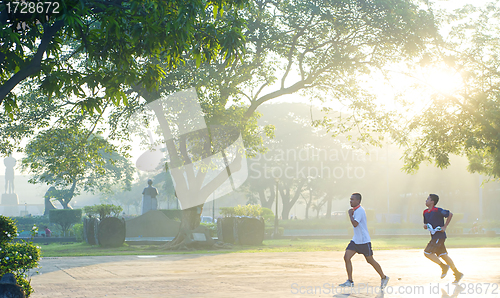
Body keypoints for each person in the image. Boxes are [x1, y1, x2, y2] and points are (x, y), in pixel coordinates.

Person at [339, 193, 389, 289]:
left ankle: (384, 277)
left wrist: (350, 215)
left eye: (352, 199)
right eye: (350, 199)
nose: (350, 201)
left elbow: (355, 224)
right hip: (355, 240)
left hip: (364, 241)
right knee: (346, 257)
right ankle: (350, 281)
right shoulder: (355, 210)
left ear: (358, 201)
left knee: (370, 260)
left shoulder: (360, 211)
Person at [423, 194, 463, 283]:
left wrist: (444, 227)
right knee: (443, 255)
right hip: (435, 237)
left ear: (432, 202)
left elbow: (450, 214)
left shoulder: (438, 210)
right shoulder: (425, 212)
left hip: (439, 237)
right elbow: (426, 223)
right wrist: (425, 226)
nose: (426, 200)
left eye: (428, 199)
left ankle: (443, 266)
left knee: (427, 252)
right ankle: (457, 273)